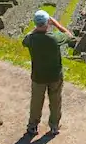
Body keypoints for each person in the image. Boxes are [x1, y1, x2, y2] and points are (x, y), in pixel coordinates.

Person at [22, 9, 73, 137]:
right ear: (47, 23)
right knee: (55, 102)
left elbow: (25, 39)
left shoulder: (31, 39)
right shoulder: (55, 38)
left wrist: (36, 28)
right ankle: (54, 126)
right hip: (55, 76)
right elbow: (69, 35)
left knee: (36, 102)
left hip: (38, 76)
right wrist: (56, 24)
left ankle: (33, 126)